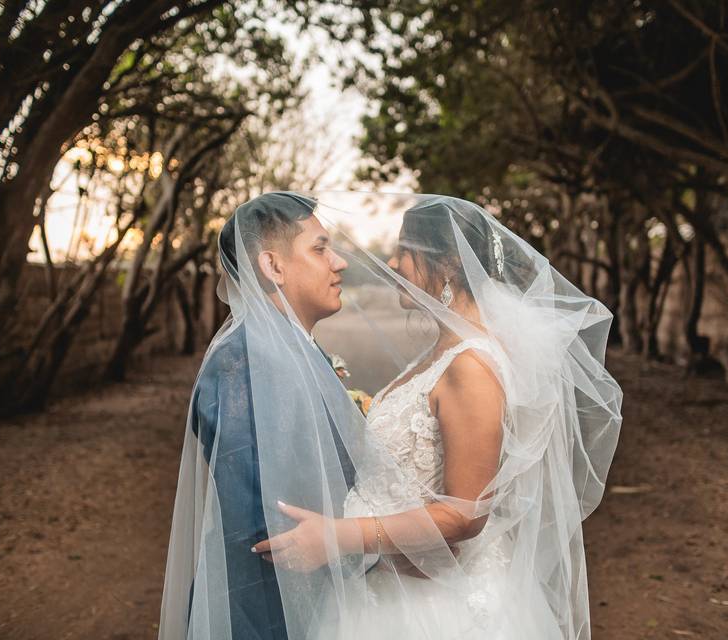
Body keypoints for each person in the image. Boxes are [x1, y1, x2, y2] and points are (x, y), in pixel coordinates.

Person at [249, 194, 623, 639]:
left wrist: (340, 536)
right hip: (393, 586)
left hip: (437, 610)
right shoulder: (444, 352)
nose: (392, 261)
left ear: (445, 264)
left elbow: (466, 514)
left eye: (403, 251)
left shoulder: (473, 365)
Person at [158, 192, 356, 640]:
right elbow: (268, 524)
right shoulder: (242, 364)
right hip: (268, 613)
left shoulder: (292, 349)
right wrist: (380, 540)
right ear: (273, 266)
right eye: (320, 248)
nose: (339, 262)